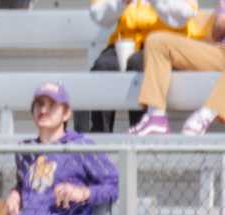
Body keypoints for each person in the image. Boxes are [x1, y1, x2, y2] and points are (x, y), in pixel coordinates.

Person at [7, 83, 120, 215]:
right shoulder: (26, 150)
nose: (43, 110)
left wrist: (83, 193)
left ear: (66, 113)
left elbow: (114, 186)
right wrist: (15, 193)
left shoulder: (82, 147)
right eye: (39, 104)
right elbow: (27, 185)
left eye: (52, 105)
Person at [83, 1, 199, 133]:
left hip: (167, 44)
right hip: (127, 42)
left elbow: (185, 13)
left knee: (137, 64)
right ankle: (100, 140)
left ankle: (141, 139)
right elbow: (98, 15)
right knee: (102, 67)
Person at [123, 4, 225, 134]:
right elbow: (217, 31)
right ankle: (156, 117)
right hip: (219, 52)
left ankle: (205, 116)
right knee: (157, 42)